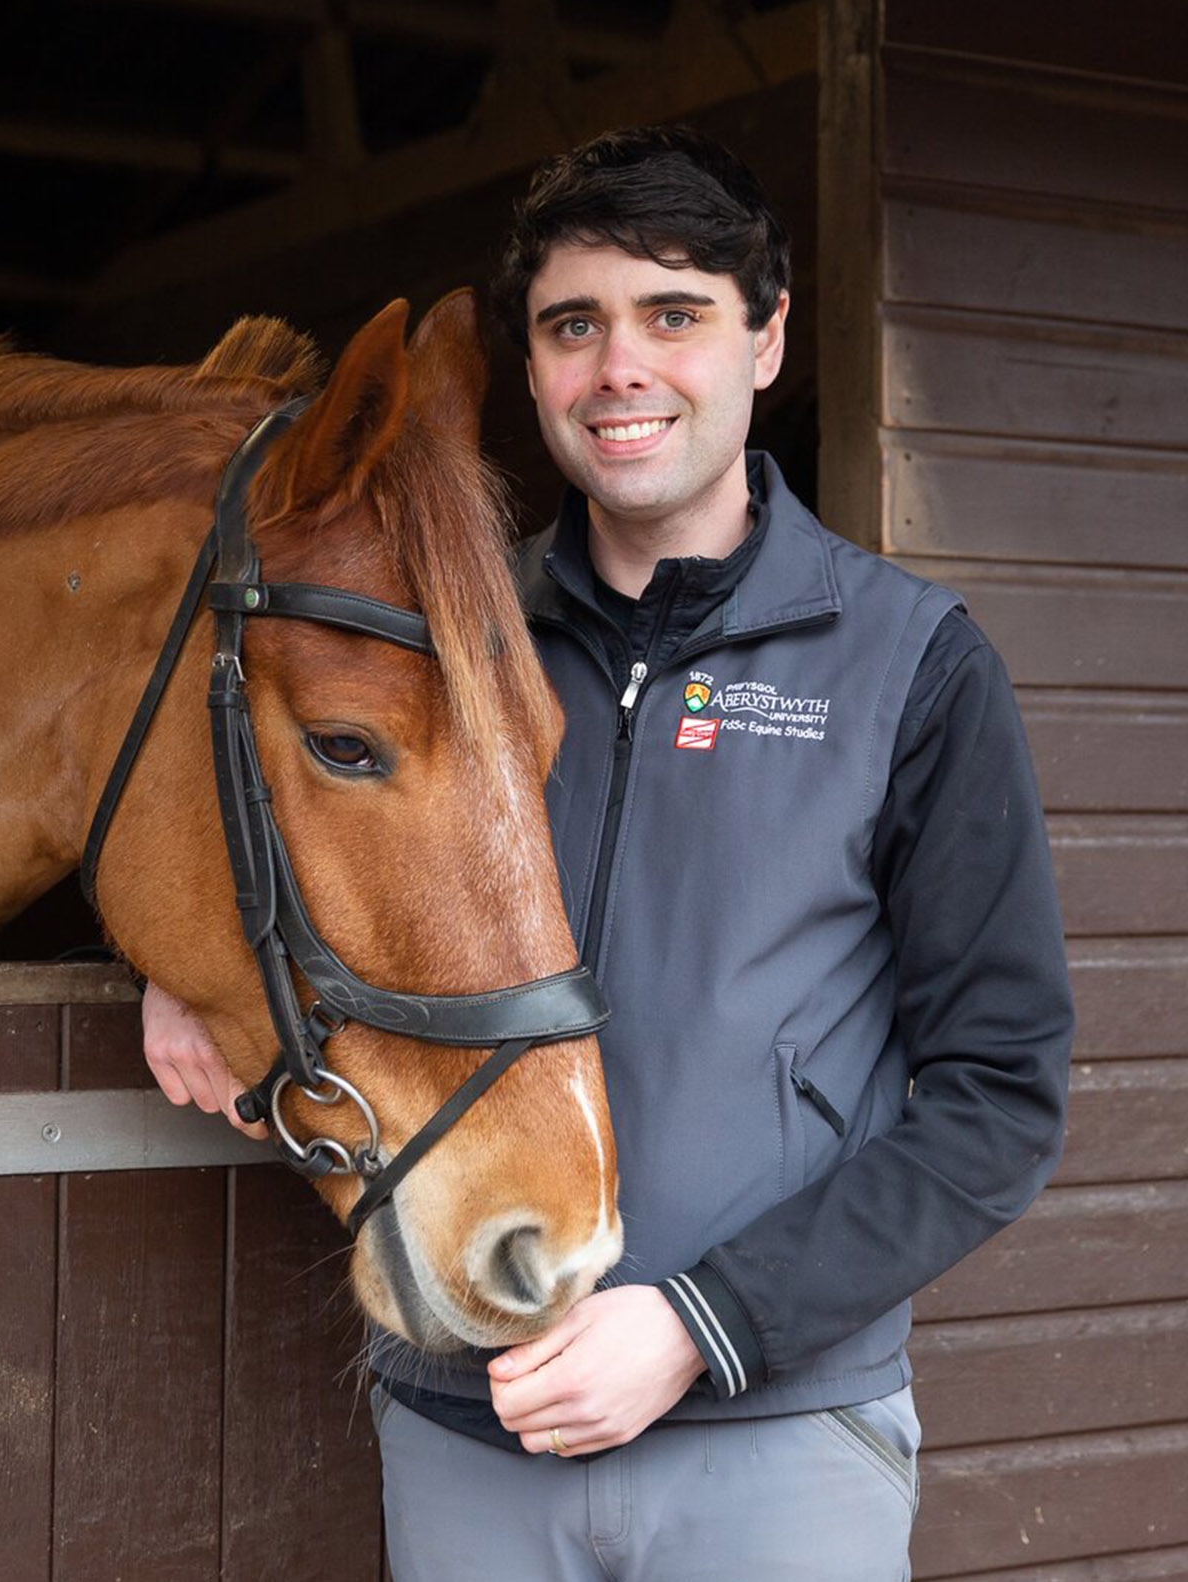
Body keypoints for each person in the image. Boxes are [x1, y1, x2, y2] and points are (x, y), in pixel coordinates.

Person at [140, 125, 1072, 1578]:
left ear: (767, 342)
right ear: (532, 369)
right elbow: (227, 792)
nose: (619, 368)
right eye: (575, 325)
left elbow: (1000, 1097)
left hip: (775, 1436)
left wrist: (704, 1322)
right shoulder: (437, 647)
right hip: (470, 1429)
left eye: (674, 316)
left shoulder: (912, 668)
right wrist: (179, 949)